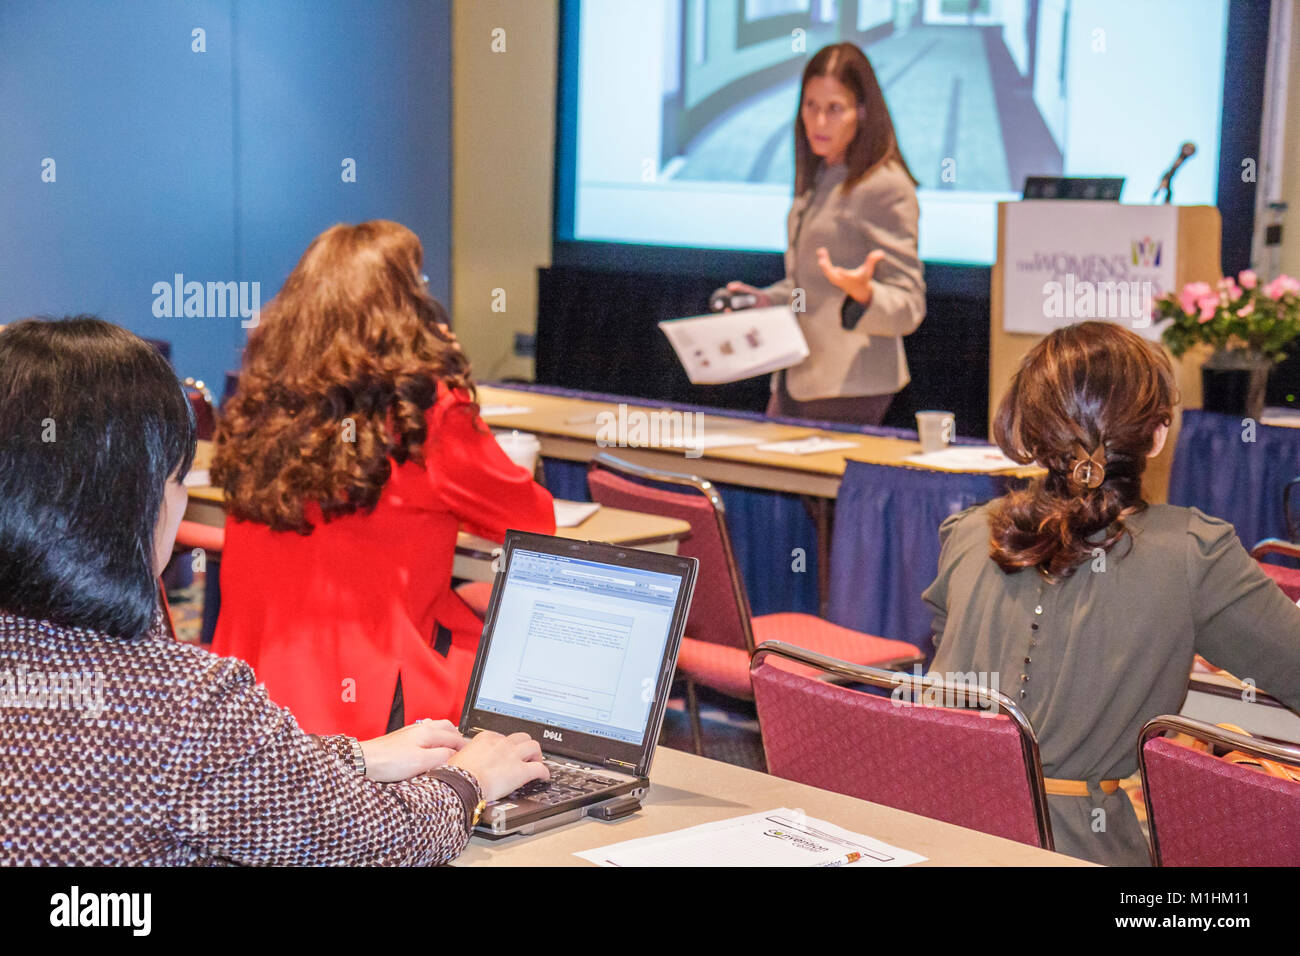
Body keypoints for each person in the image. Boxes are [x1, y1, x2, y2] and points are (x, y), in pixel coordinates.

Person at [0, 317, 549, 865]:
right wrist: (469, 780)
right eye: (174, 480)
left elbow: (220, 782)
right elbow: (375, 844)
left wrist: (352, 759)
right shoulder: (182, 706)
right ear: (131, 504)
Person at [922, 321, 1300, 866]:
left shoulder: (968, 532)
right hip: (1079, 850)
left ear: (1029, 429)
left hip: (928, 830)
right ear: (1157, 435)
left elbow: (953, 681)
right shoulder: (1194, 551)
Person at [212, 221, 555, 740]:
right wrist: (451, 373)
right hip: (374, 703)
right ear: (406, 305)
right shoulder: (426, 414)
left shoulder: (262, 404)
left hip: (246, 692)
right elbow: (532, 521)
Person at [724, 42, 925, 425]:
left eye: (834, 109)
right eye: (810, 106)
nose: (818, 123)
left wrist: (865, 294)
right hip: (796, 375)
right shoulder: (820, 176)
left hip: (850, 385)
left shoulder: (885, 186)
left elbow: (910, 305)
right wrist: (769, 300)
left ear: (863, 113)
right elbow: (813, 288)